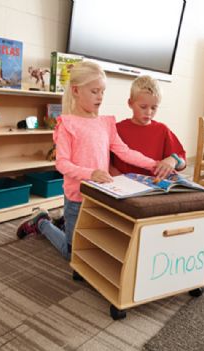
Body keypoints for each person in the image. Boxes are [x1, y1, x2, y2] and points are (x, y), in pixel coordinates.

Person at [16, 62, 173, 260]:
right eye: (94, 91)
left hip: (100, 195)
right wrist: (91, 174)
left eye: (102, 92)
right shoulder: (67, 124)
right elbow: (61, 164)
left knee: (95, 245)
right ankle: (42, 222)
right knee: (73, 253)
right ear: (76, 90)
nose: (100, 97)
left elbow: (125, 152)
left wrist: (154, 163)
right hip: (77, 197)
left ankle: (65, 223)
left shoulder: (105, 123)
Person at [111, 75, 187, 177]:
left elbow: (182, 163)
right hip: (123, 186)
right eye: (143, 107)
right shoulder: (117, 129)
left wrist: (173, 160)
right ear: (130, 103)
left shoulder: (162, 130)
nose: (149, 112)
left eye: (154, 108)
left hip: (153, 185)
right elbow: (106, 162)